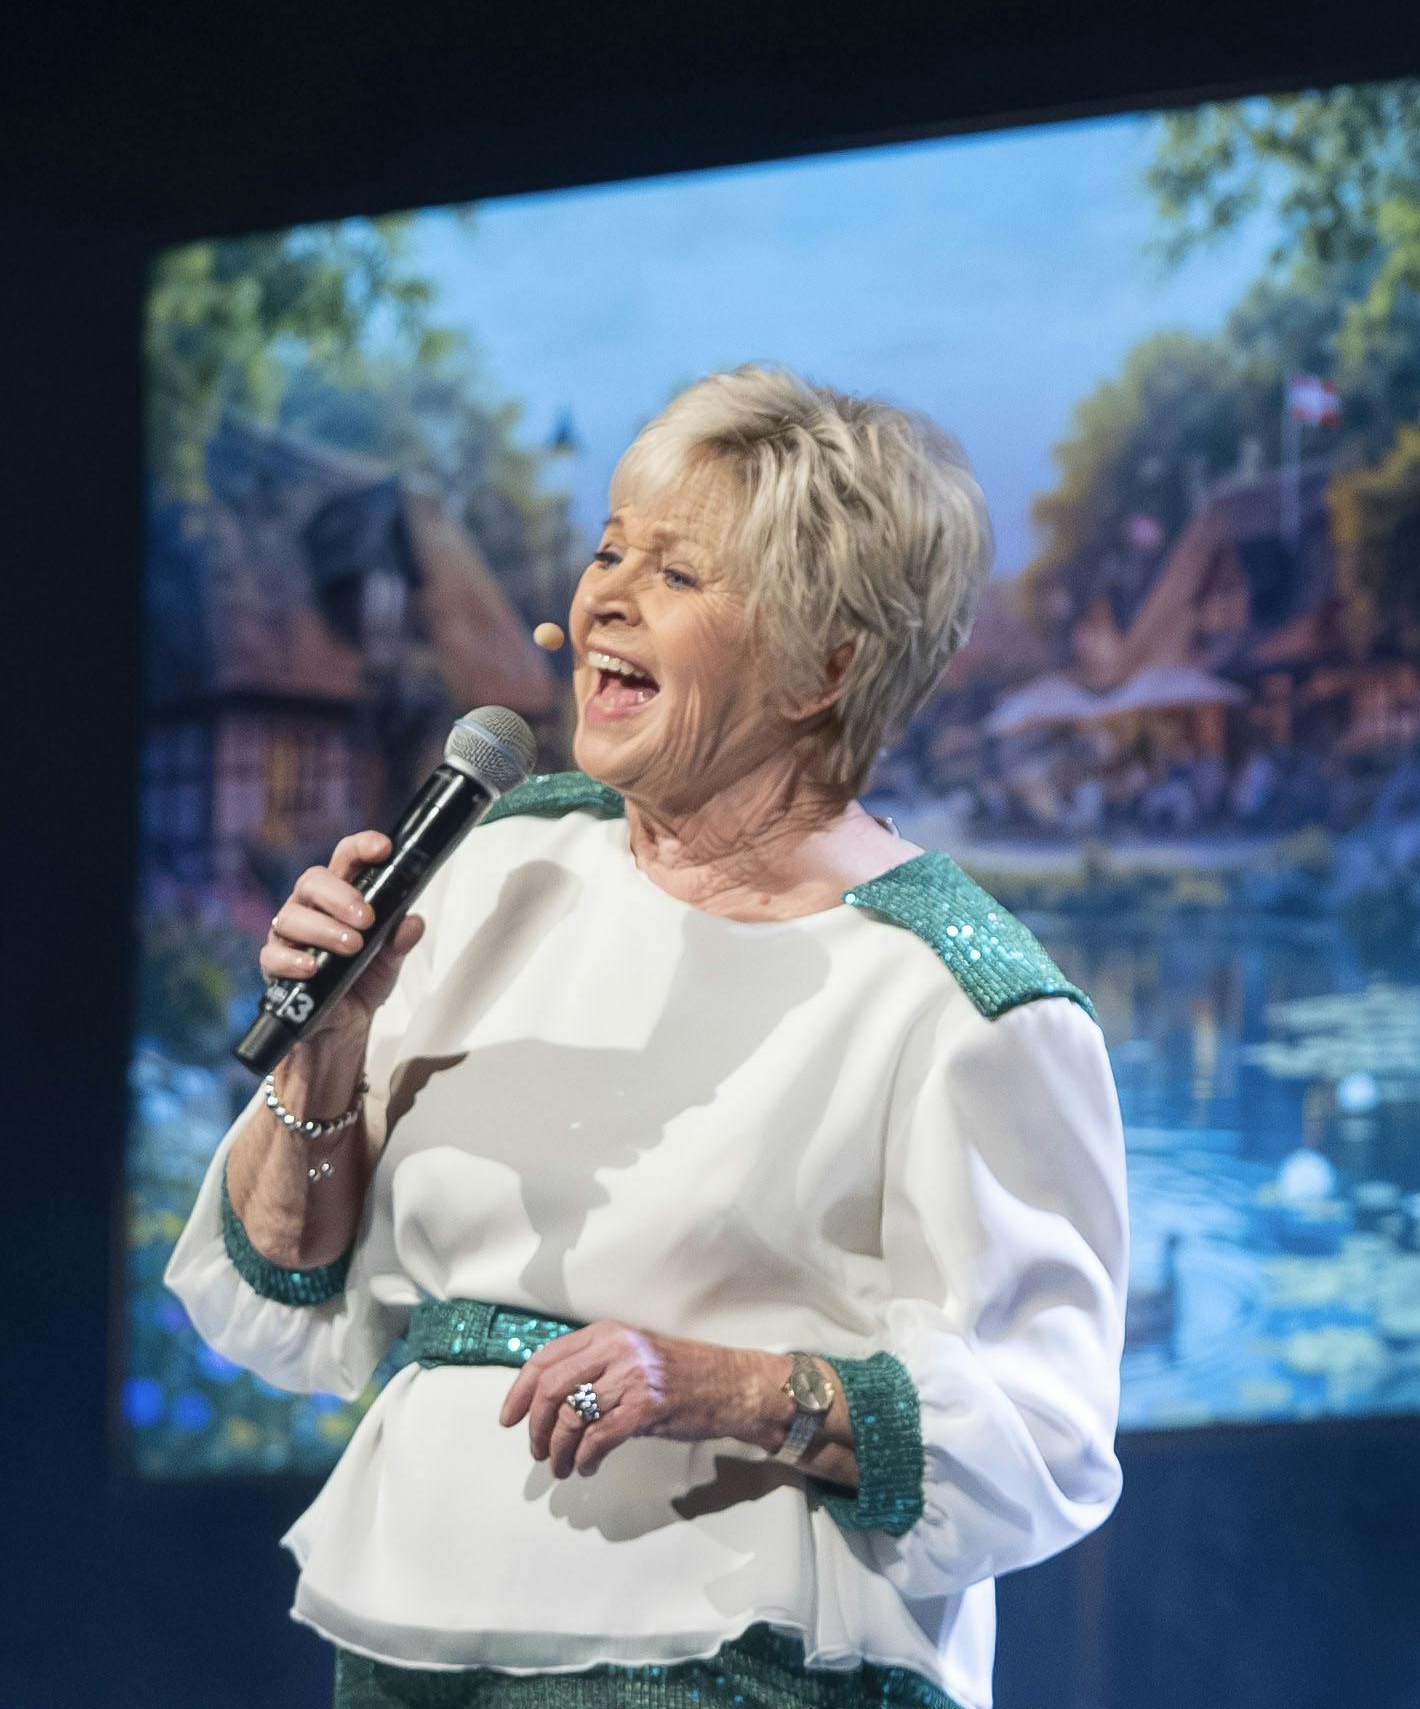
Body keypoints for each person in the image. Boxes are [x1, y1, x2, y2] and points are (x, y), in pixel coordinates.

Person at [168, 367, 1127, 1708]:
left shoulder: (956, 997)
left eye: (676, 574)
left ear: (825, 666)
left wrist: (723, 1386)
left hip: (734, 1666)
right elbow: (282, 1290)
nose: (603, 598)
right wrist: (325, 1049)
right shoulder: (495, 865)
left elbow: (1045, 1440)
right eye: (610, 551)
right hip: (407, 1638)